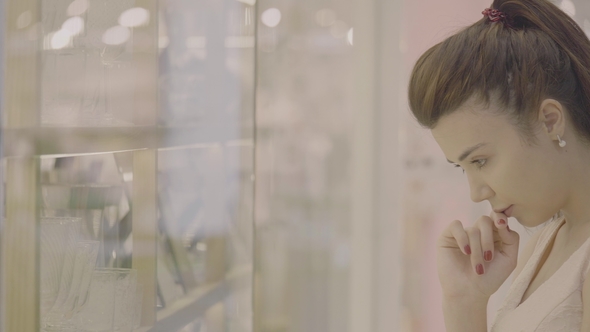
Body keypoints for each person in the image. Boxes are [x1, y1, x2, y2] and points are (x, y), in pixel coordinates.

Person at [408, 0, 590, 331]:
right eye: (463, 167)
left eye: (480, 160)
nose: (477, 192)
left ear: (550, 121)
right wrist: (464, 300)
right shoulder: (542, 246)